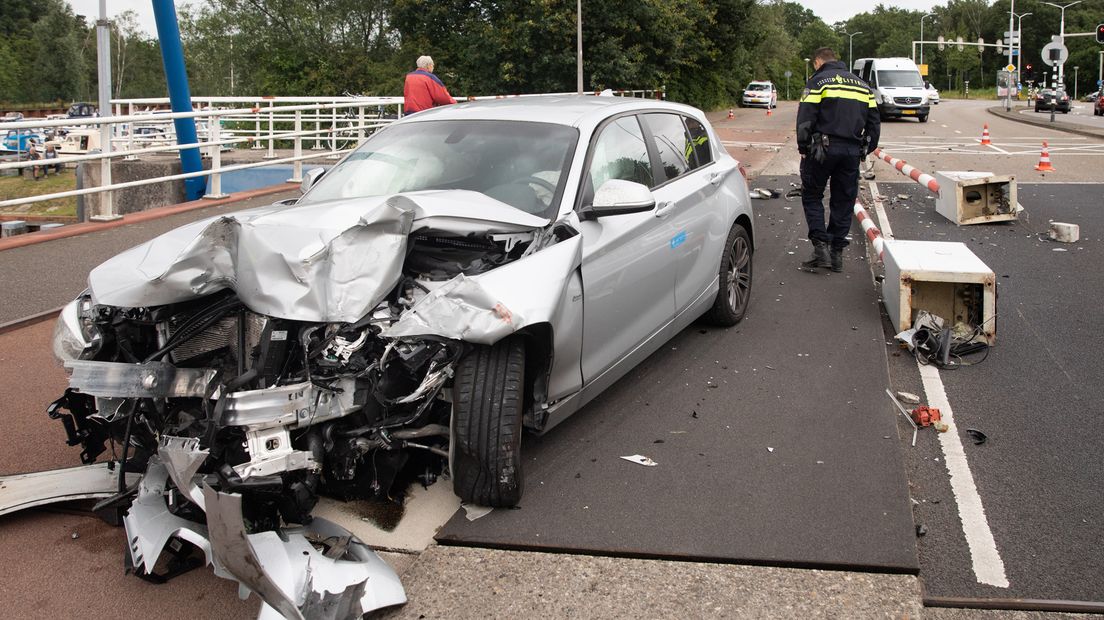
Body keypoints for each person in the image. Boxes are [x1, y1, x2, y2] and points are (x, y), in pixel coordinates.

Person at [795, 47, 880, 272]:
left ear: (818, 62)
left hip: (822, 150)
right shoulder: (863, 85)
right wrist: (865, 148)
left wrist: (803, 146)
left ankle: (820, 248)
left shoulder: (818, 81)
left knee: (812, 195)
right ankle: (836, 255)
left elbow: (806, 116)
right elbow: (874, 122)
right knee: (843, 200)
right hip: (851, 152)